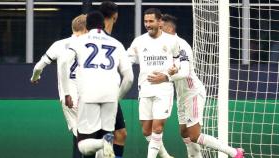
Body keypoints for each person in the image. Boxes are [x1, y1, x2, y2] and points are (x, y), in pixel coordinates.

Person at [148, 13, 245, 158]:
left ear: (168, 28)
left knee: (194, 135)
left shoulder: (182, 46)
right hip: (182, 96)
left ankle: (234, 153)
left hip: (193, 93)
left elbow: (185, 72)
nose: (158, 31)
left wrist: (166, 77)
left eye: (161, 28)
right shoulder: (166, 48)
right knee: (185, 133)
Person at [61, 11, 133, 158]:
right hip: (110, 95)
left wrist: (67, 92)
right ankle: (106, 142)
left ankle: (103, 143)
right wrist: (117, 97)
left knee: (83, 146)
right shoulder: (117, 43)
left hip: (89, 95)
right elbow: (129, 78)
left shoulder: (79, 41)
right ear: (103, 25)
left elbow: (63, 62)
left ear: (87, 26)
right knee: (106, 139)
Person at [30, 14, 88, 158]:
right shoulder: (91, 44)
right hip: (90, 94)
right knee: (94, 131)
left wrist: (35, 78)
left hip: (69, 97)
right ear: (87, 29)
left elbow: (38, 66)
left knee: (80, 135)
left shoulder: (59, 44)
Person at [127, 8, 179, 158]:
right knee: (146, 130)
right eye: (145, 21)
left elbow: (178, 62)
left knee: (157, 128)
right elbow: (128, 58)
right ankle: (166, 156)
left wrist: (171, 72)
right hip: (145, 89)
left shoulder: (171, 41)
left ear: (160, 21)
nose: (147, 24)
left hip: (163, 90)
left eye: (151, 21)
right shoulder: (139, 41)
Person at [99, 2, 127, 158]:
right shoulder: (92, 38)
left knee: (120, 134)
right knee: (98, 137)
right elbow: (128, 78)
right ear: (115, 17)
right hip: (93, 95)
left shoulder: (113, 43)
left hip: (109, 94)